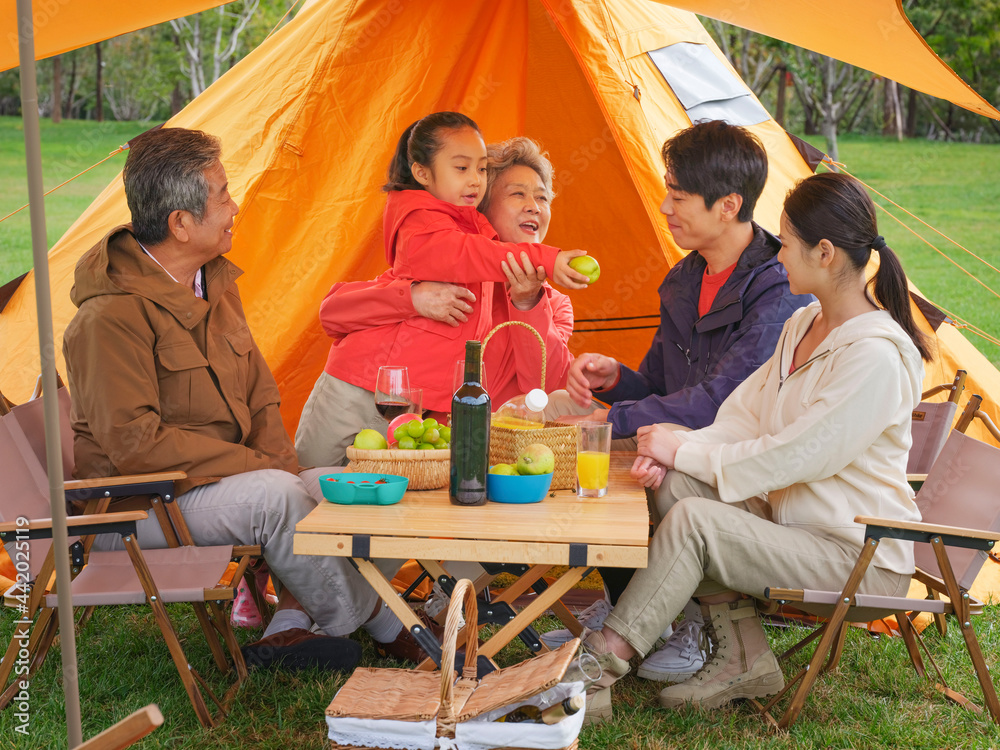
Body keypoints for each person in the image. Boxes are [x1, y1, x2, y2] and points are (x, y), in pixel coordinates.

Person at [572, 171, 931, 723]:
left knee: (696, 519)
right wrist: (677, 448)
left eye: (785, 242)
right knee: (677, 483)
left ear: (826, 253)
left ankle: (601, 664)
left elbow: (798, 453)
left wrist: (682, 449)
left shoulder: (875, 356)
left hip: (858, 556)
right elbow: (743, 417)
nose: (776, 253)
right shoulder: (806, 323)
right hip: (791, 531)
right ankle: (743, 655)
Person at [62, 127, 414, 672]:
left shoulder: (214, 285)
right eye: (223, 194)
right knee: (278, 497)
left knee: (343, 486)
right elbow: (135, 447)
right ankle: (393, 629)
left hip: (216, 487)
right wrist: (262, 468)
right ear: (180, 224)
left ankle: (293, 627)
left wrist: (282, 465)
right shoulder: (108, 319)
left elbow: (260, 395)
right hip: (135, 509)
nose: (236, 206)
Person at [540, 120, 813, 680]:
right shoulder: (683, 281)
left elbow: (720, 403)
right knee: (578, 430)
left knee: (616, 452)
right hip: (680, 441)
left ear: (728, 205)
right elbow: (663, 391)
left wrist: (612, 417)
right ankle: (640, 610)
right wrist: (615, 380)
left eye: (678, 196)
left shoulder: (776, 287)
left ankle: (685, 621)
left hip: (740, 467)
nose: (664, 206)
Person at [295, 115, 588, 468]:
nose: (534, 206)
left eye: (542, 198)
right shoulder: (443, 263)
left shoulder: (554, 304)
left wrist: (527, 302)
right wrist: (413, 299)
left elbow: (547, 387)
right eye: (518, 194)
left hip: (450, 448)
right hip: (367, 401)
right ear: (481, 209)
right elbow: (334, 312)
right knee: (312, 493)